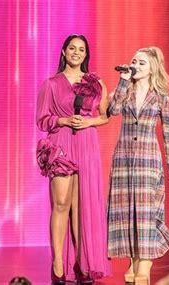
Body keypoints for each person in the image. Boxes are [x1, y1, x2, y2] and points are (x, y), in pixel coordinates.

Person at [36, 34, 111, 284]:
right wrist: (63, 120)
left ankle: (82, 264)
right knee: (61, 204)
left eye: (81, 49)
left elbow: (105, 115)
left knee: (82, 207)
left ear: (86, 55)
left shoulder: (95, 83)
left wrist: (88, 121)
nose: (76, 53)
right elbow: (42, 119)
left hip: (86, 143)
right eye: (72, 48)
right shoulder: (51, 84)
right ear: (64, 51)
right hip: (61, 145)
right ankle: (58, 264)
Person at [107, 47, 169, 285]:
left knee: (147, 212)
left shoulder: (161, 97)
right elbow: (112, 111)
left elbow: (168, 130)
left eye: (142, 63)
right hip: (124, 159)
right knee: (127, 211)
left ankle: (144, 264)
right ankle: (132, 261)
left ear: (152, 69)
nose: (136, 66)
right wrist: (122, 81)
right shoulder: (124, 91)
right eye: (134, 61)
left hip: (149, 160)